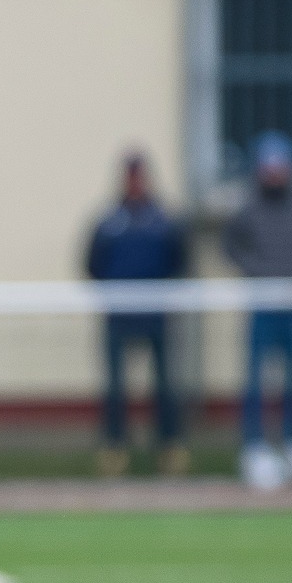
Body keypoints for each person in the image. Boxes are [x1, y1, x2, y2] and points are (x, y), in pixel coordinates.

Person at [224, 132, 292, 490]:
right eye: (269, 167)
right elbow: (231, 246)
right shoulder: (248, 207)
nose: (275, 174)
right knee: (256, 379)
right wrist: (256, 269)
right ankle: (255, 446)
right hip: (262, 303)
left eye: (280, 166)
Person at [85, 152, 188, 477]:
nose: (135, 183)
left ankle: (169, 449)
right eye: (130, 176)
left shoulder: (162, 219)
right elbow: (92, 264)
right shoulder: (109, 221)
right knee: (115, 389)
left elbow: (179, 260)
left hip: (156, 314)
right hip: (118, 315)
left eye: (139, 176)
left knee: (164, 386)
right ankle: (115, 450)